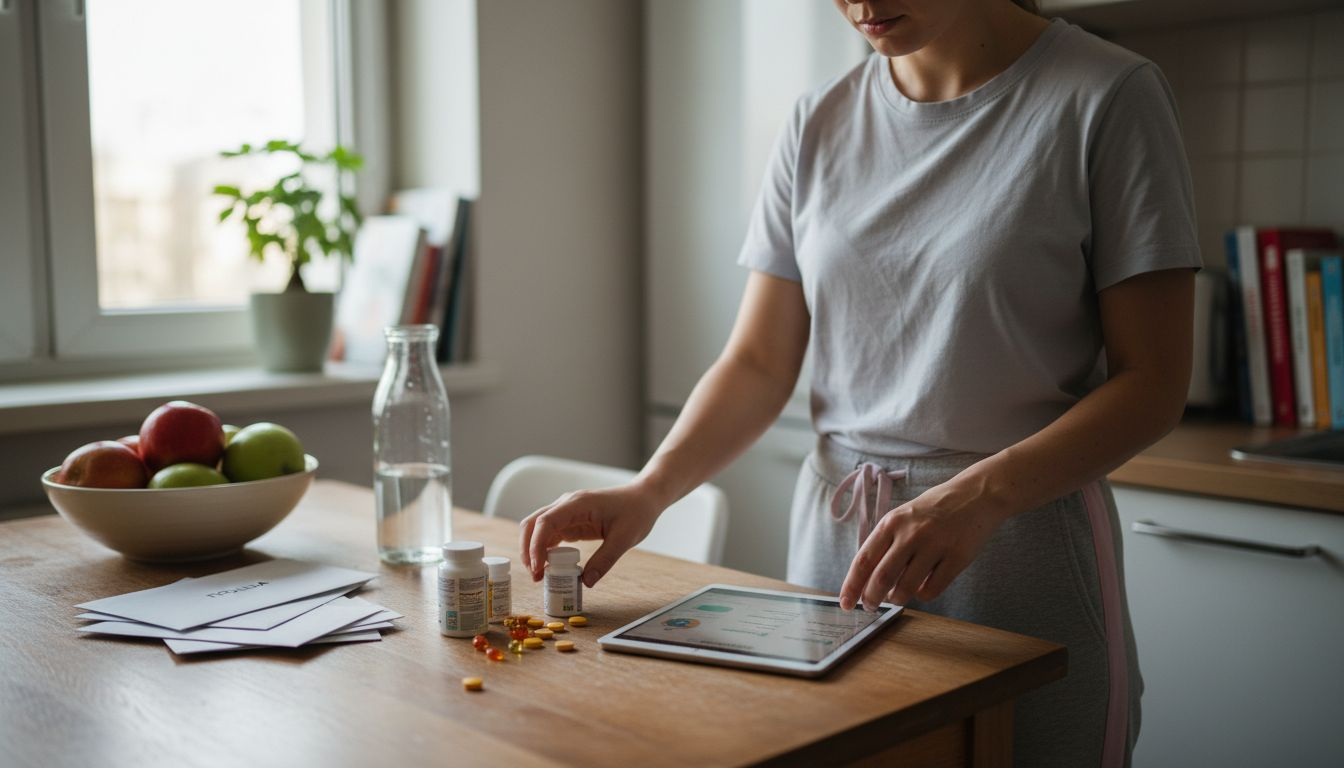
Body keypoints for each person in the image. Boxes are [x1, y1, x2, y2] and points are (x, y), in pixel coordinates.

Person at [519, 0, 1199, 764]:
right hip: (836, 560)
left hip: (1017, 551)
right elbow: (759, 362)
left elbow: (1154, 382)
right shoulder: (817, 123)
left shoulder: (1106, 95)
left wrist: (980, 496)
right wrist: (650, 490)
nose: (864, 5)